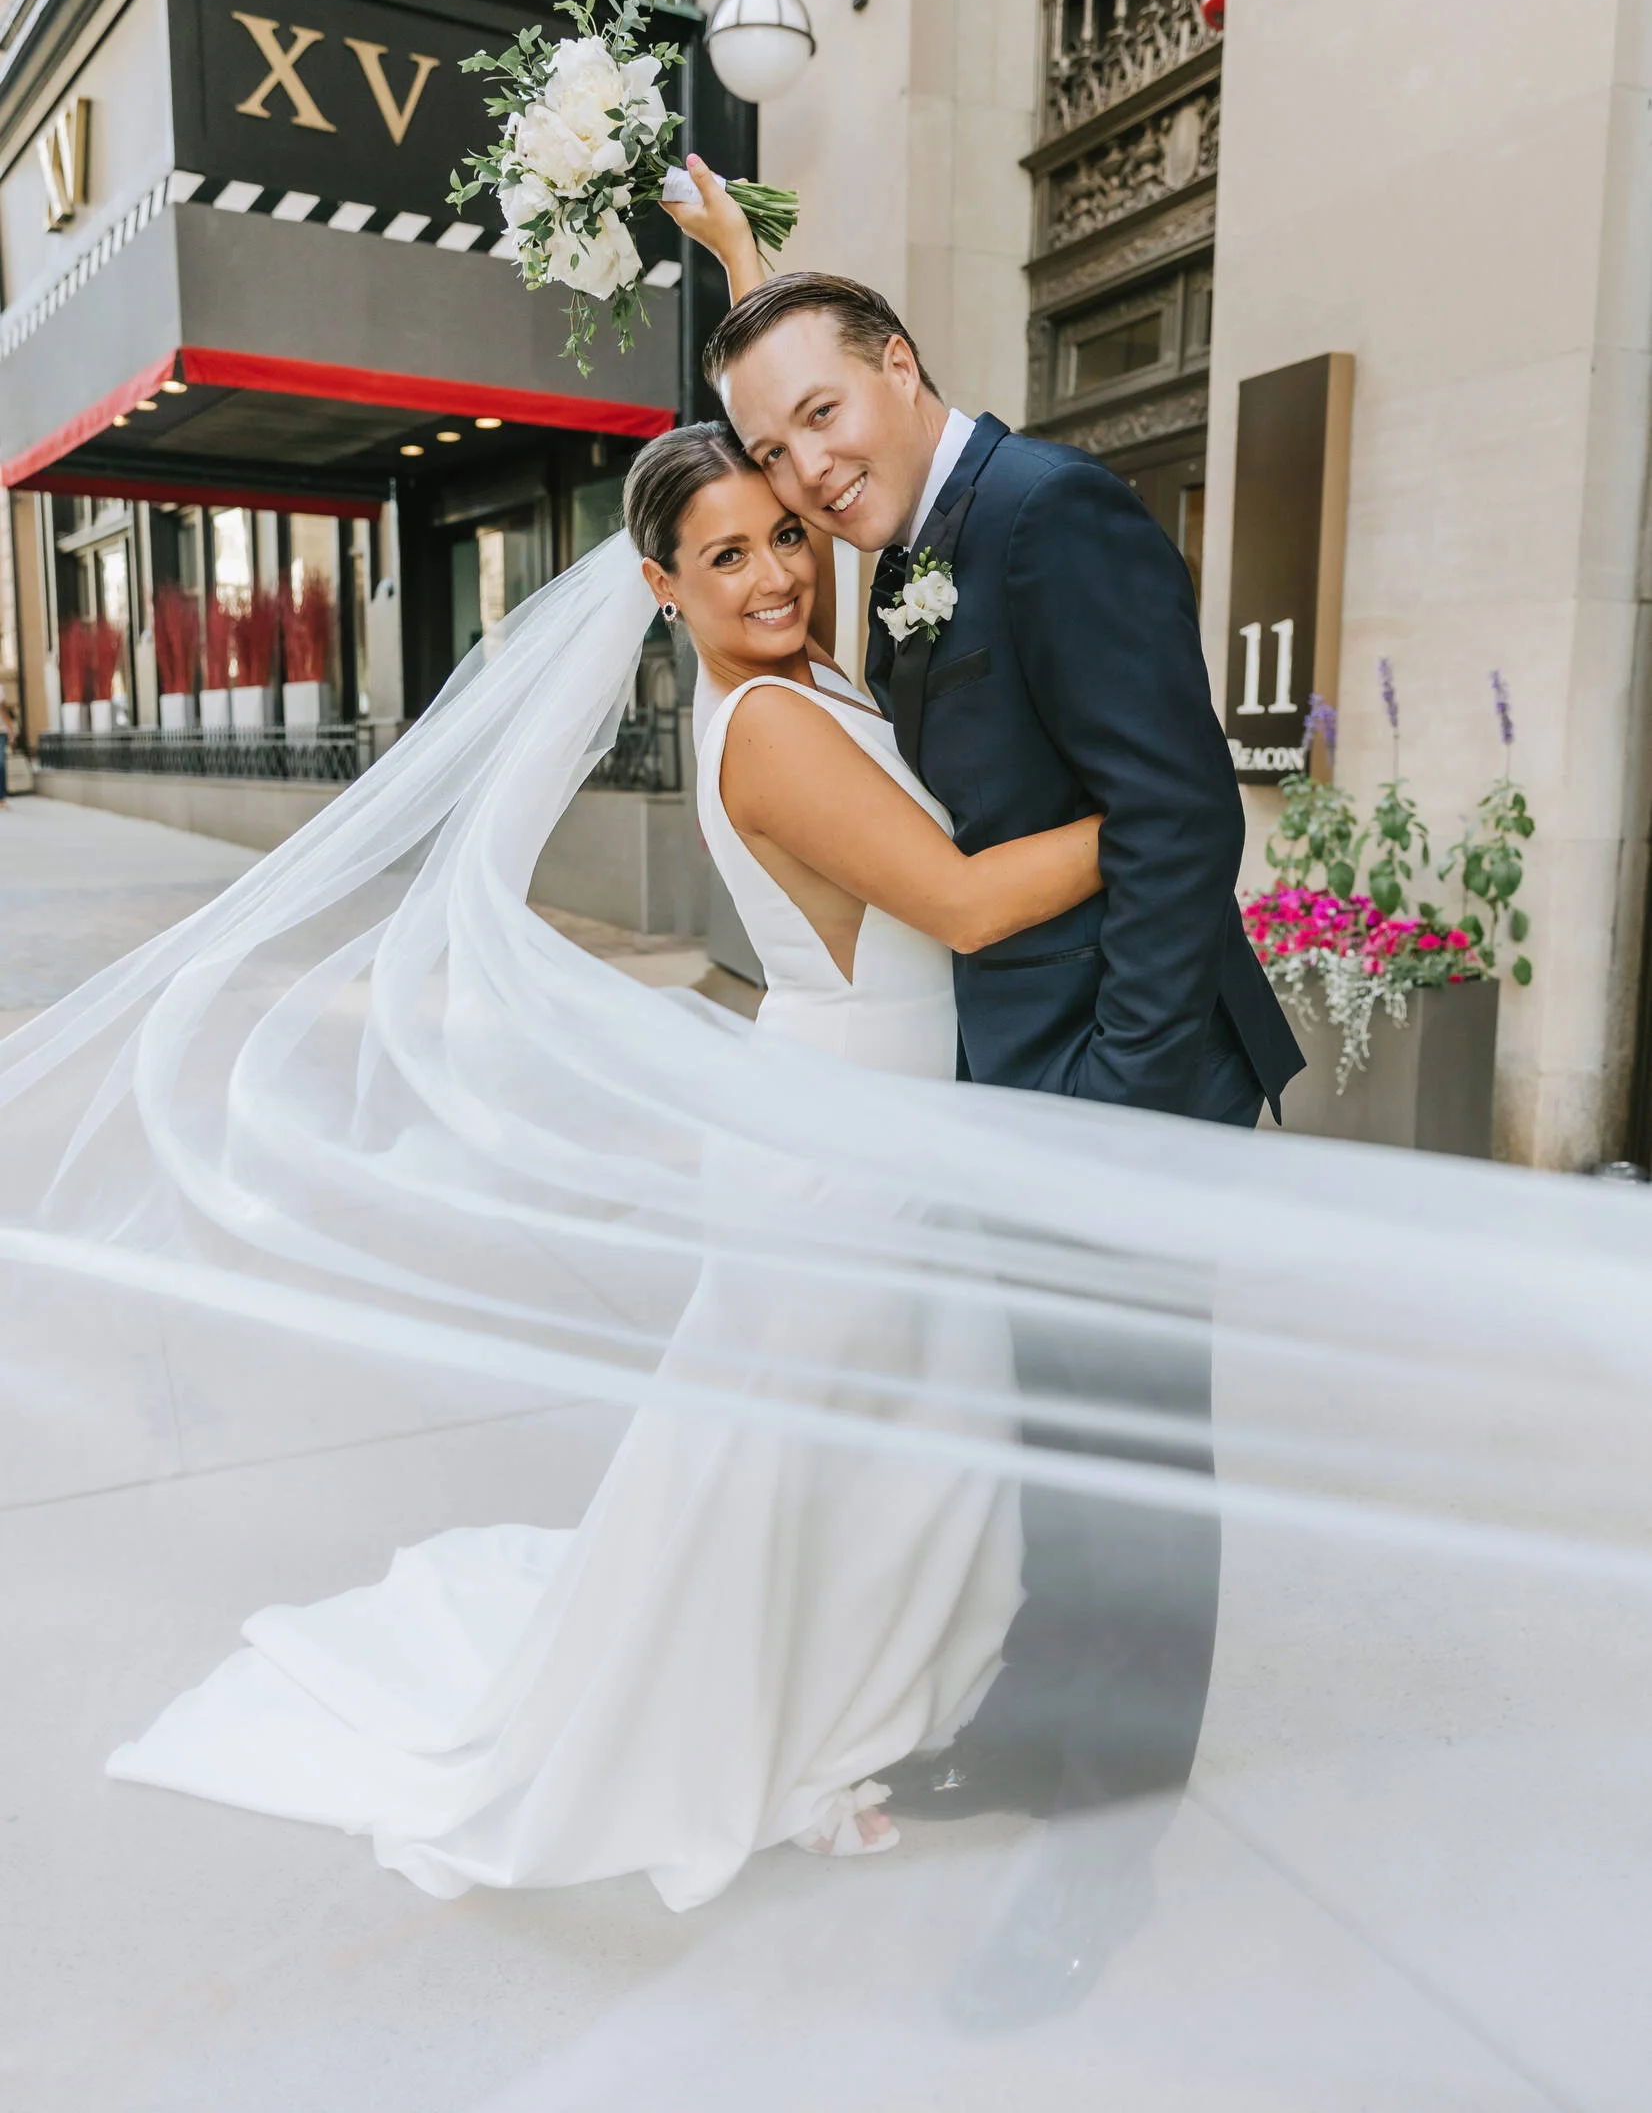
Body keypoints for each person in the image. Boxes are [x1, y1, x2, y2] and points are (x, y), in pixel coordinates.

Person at [104, 415, 1111, 1910]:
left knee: (888, 1449)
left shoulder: (808, 678)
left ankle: (859, 1706)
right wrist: (1152, 815)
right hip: (848, 1138)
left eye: (785, 535)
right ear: (661, 584)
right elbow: (960, 906)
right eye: (729, 555)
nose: (776, 574)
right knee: (817, 1465)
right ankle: (790, 1744)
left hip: (885, 1113)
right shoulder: (769, 724)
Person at [666, 156, 1305, 2021]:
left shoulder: (1049, 513)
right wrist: (740, 265)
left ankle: (1106, 1853)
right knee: (1058, 1462)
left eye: (823, 416)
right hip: (1022, 1098)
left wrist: (1104, 1109)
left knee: (1132, 1484)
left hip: (1122, 1100)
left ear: (904, 364)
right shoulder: (916, 541)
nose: (803, 473)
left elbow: (1180, 820)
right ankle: (1035, 1730)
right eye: (771, 450)